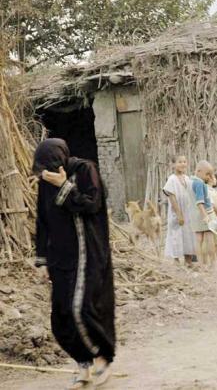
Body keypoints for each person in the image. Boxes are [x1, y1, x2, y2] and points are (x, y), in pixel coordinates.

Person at [33, 138, 115, 389]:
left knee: (83, 307)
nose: (46, 169)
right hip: (60, 257)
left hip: (87, 253)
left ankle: (102, 357)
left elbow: (92, 205)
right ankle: (83, 365)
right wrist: (42, 260)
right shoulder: (46, 181)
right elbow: (43, 221)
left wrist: (65, 186)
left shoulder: (84, 170)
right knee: (62, 315)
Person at [163, 155, 197, 265]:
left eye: (184, 161)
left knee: (188, 234)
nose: (183, 164)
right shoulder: (172, 179)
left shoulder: (187, 179)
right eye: (179, 162)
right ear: (173, 165)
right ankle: (176, 259)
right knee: (176, 234)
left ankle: (188, 259)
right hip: (177, 210)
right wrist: (178, 214)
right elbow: (172, 197)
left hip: (187, 211)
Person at [190, 160, 216, 266]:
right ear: (199, 171)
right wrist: (205, 215)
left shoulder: (192, 181)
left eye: (210, 175)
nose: (208, 177)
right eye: (207, 174)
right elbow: (200, 202)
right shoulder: (200, 183)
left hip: (195, 214)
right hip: (204, 212)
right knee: (210, 237)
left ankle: (201, 264)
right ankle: (213, 263)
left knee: (198, 239)